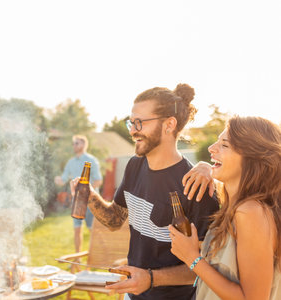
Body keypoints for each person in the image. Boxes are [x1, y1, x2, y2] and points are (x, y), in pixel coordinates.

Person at [71, 83, 219, 299]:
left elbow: (206, 269)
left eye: (139, 123)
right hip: (133, 295)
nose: (132, 130)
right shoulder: (134, 166)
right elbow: (114, 220)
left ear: (169, 125)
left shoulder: (196, 185)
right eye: (131, 122)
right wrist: (90, 196)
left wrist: (151, 279)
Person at [169, 116, 281, 299]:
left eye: (225, 145)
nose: (211, 148)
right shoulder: (234, 208)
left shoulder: (251, 212)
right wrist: (206, 167)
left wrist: (192, 258)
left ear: (253, 157)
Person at [55, 135, 103, 254]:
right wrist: (58, 180)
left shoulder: (91, 160)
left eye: (77, 143)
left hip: (90, 201)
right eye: (73, 143)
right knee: (77, 230)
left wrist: (85, 190)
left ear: (84, 145)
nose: (74, 145)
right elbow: (63, 179)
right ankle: (77, 259)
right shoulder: (71, 162)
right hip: (76, 202)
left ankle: (97, 258)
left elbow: (98, 181)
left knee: (92, 230)